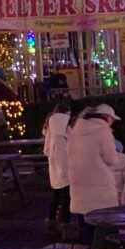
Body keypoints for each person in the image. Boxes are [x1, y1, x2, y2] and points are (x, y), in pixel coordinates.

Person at [67, 104, 125, 244]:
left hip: (79, 185)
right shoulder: (103, 131)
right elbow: (111, 159)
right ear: (107, 118)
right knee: (104, 229)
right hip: (100, 188)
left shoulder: (75, 129)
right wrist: (122, 159)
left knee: (85, 230)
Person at [42, 99, 72, 238]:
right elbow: (62, 158)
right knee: (65, 199)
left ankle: (52, 223)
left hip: (54, 171)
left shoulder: (51, 130)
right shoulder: (62, 136)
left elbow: (47, 150)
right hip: (64, 172)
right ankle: (65, 226)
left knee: (56, 198)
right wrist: (65, 173)